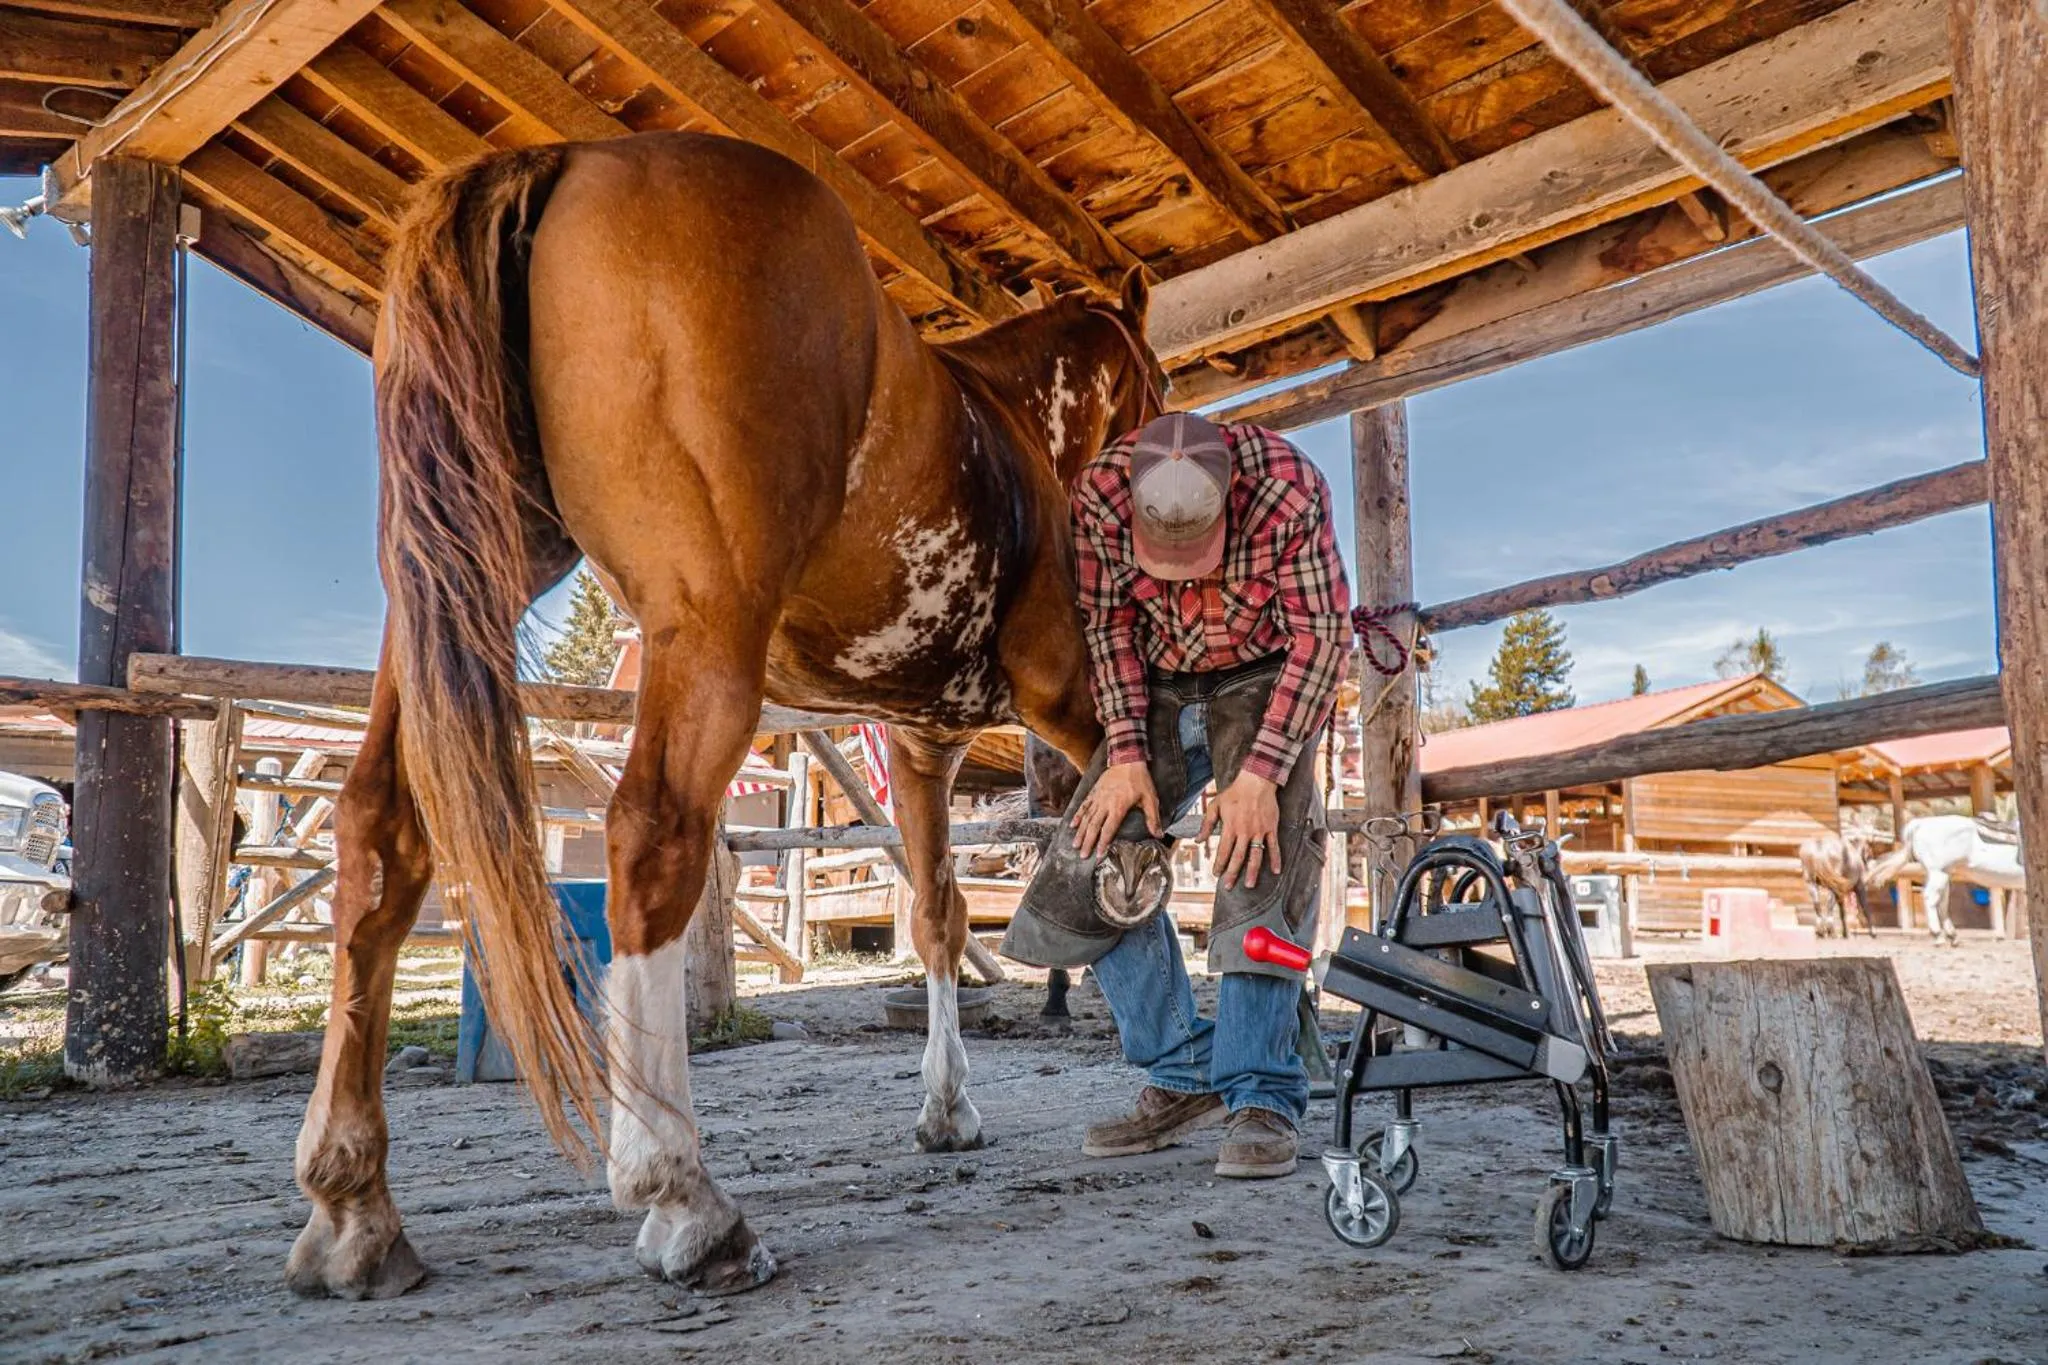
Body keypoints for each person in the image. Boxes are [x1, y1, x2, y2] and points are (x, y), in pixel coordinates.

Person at [1002, 411, 1352, 1179]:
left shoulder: (1289, 490)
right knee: (1095, 854)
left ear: (1231, 496)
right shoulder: (1097, 497)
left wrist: (1261, 772)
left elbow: (1321, 637)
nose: (1188, 574)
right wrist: (1125, 751)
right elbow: (1109, 628)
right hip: (1156, 682)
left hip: (1264, 671)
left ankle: (1261, 1089)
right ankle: (1183, 1065)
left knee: (1265, 852)